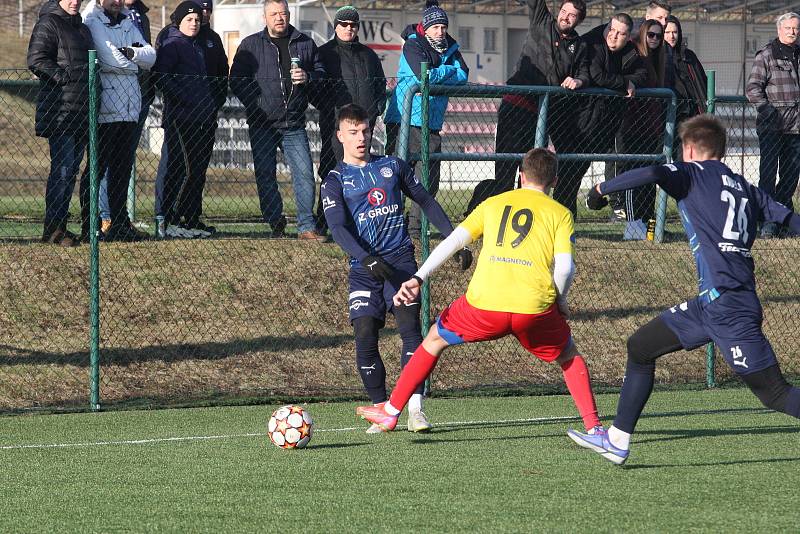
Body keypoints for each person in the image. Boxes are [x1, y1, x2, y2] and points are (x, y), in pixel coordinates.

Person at [570, 114, 800, 465]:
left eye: (681, 149)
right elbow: (788, 218)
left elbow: (654, 173)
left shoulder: (691, 173)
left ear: (689, 148)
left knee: (775, 394)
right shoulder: (744, 187)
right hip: (711, 304)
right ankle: (617, 439)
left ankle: (617, 438)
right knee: (641, 347)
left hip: (729, 308)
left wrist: (601, 190)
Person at [357, 148, 602, 437]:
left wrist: (419, 277)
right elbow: (564, 268)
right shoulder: (560, 213)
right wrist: (560, 301)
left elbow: (454, 241)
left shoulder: (494, 203)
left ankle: (391, 411)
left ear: (521, 176)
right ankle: (595, 428)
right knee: (569, 356)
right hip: (533, 307)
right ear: (555, 182)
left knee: (434, 338)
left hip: (485, 304)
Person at [322, 104, 472, 433]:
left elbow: (427, 201)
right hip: (365, 269)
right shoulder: (335, 180)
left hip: (401, 263)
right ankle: (381, 410)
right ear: (340, 136)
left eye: (364, 131)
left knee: (410, 331)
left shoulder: (393, 166)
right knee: (364, 334)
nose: (361, 138)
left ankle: (415, 409)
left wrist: (453, 240)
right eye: (353, 132)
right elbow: (338, 229)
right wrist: (365, 258)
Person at [465, 0, 590, 218]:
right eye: (563, 11)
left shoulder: (579, 46)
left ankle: (519, 220)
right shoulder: (542, 21)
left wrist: (578, 80)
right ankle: (475, 214)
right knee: (504, 173)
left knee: (529, 175)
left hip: (542, 114)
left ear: (579, 20)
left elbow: (585, 73)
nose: (565, 17)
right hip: (516, 107)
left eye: (572, 15)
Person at [230, 0, 326, 240]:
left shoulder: (305, 43)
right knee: (265, 175)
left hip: (293, 122)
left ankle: (306, 227)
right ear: (265, 17)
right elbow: (237, 80)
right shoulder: (250, 45)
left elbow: (322, 74)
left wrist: (309, 76)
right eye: (273, 14)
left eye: (283, 13)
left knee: (304, 173)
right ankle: (275, 221)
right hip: (261, 123)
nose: (279, 18)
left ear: (289, 14)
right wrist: (256, 102)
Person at [384, 0, 468, 236]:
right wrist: (447, 70)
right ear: (426, 27)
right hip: (404, 119)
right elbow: (424, 76)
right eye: (435, 27)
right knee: (396, 176)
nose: (440, 32)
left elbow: (463, 74)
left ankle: (415, 227)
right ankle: (391, 225)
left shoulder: (451, 47)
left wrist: (440, 72)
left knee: (428, 179)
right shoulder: (412, 45)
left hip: (431, 122)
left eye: (443, 27)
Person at [80, 0, 156, 242]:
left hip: (129, 105)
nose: (117, 1)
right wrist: (134, 60)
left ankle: (120, 223)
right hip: (105, 107)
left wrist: (131, 53)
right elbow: (110, 58)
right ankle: (90, 225)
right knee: (97, 168)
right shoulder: (92, 21)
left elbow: (151, 55)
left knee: (122, 169)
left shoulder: (127, 21)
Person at [310, 5, 387, 237]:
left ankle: (357, 220)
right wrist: (329, 110)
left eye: (353, 25)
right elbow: (314, 87)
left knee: (361, 171)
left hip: (364, 126)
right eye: (344, 24)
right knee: (332, 170)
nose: (348, 28)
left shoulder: (368, 55)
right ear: (336, 27)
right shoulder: (325, 53)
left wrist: (376, 110)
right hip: (335, 125)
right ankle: (326, 220)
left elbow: (380, 84)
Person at [27, 0, 94, 246]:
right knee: (63, 171)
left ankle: (61, 228)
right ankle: (53, 229)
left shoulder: (83, 28)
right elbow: (36, 59)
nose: (75, 1)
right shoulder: (48, 23)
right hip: (61, 111)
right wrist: (63, 77)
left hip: (83, 111)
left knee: (71, 172)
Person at [152, 1, 218, 239]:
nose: (194, 23)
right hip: (179, 118)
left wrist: (209, 104)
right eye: (189, 20)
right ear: (179, 21)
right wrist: (183, 98)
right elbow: (161, 76)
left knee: (193, 171)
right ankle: (166, 218)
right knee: (176, 168)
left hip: (200, 117)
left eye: (197, 20)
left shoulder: (196, 46)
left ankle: (185, 218)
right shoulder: (173, 44)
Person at [579, 13, 648, 218]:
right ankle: (566, 208)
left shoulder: (630, 50)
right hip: (583, 114)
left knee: (617, 159)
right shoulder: (593, 42)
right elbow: (596, 75)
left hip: (612, 115)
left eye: (621, 34)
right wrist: (624, 83)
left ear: (628, 37)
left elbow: (642, 75)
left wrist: (628, 81)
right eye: (612, 30)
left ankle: (617, 207)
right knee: (576, 163)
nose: (614, 36)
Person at [746, 12, 800, 238]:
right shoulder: (767, 55)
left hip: (796, 129)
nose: (792, 32)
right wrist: (769, 112)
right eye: (788, 28)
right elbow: (753, 89)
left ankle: (784, 218)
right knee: (768, 176)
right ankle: (767, 221)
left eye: (796, 28)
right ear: (779, 30)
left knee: (790, 177)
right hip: (772, 128)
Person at [614, 20, 667, 240]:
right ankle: (633, 225)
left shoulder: (661, 59)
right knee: (631, 177)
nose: (654, 39)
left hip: (651, 128)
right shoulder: (634, 54)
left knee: (649, 178)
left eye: (658, 36)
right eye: (651, 35)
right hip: (630, 126)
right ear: (643, 34)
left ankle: (649, 226)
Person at [664, 15, 707, 161]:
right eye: (667, 32)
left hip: (692, 115)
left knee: (692, 157)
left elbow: (702, 81)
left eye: (674, 32)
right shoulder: (659, 57)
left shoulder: (688, 56)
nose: (672, 36)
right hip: (670, 117)